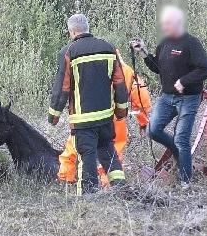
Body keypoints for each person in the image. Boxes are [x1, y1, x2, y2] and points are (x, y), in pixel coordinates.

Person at [48, 13, 129, 195]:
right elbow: (119, 82)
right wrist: (121, 111)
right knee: (108, 151)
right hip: (105, 118)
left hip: (83, 120)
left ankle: (88, 197)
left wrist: (54, 115)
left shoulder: (69, 52)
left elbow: (62, 87)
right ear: (87, 27)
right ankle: (121, 188)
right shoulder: (108, 48)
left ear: (72, 31)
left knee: (87, 156)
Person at [131, 5, 207, 184]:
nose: (164, 26)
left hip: (189, 98)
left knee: (182, 138)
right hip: (167, 97)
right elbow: (158, 68)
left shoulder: (191, 43)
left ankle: (185, 182)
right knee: (153, 130)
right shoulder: (165, 43)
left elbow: (206, 68)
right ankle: (177, 152)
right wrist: (144, 52)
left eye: (167, 23)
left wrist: (185, 81)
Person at [57, 51, 152, 185]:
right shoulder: (127, 71)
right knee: (113, 152)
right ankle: (108, 185)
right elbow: (142, 100)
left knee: (75, 146)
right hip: (115, 120)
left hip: (87, 116)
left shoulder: (88, 67)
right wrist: (143, 122)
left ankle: (65, 178)